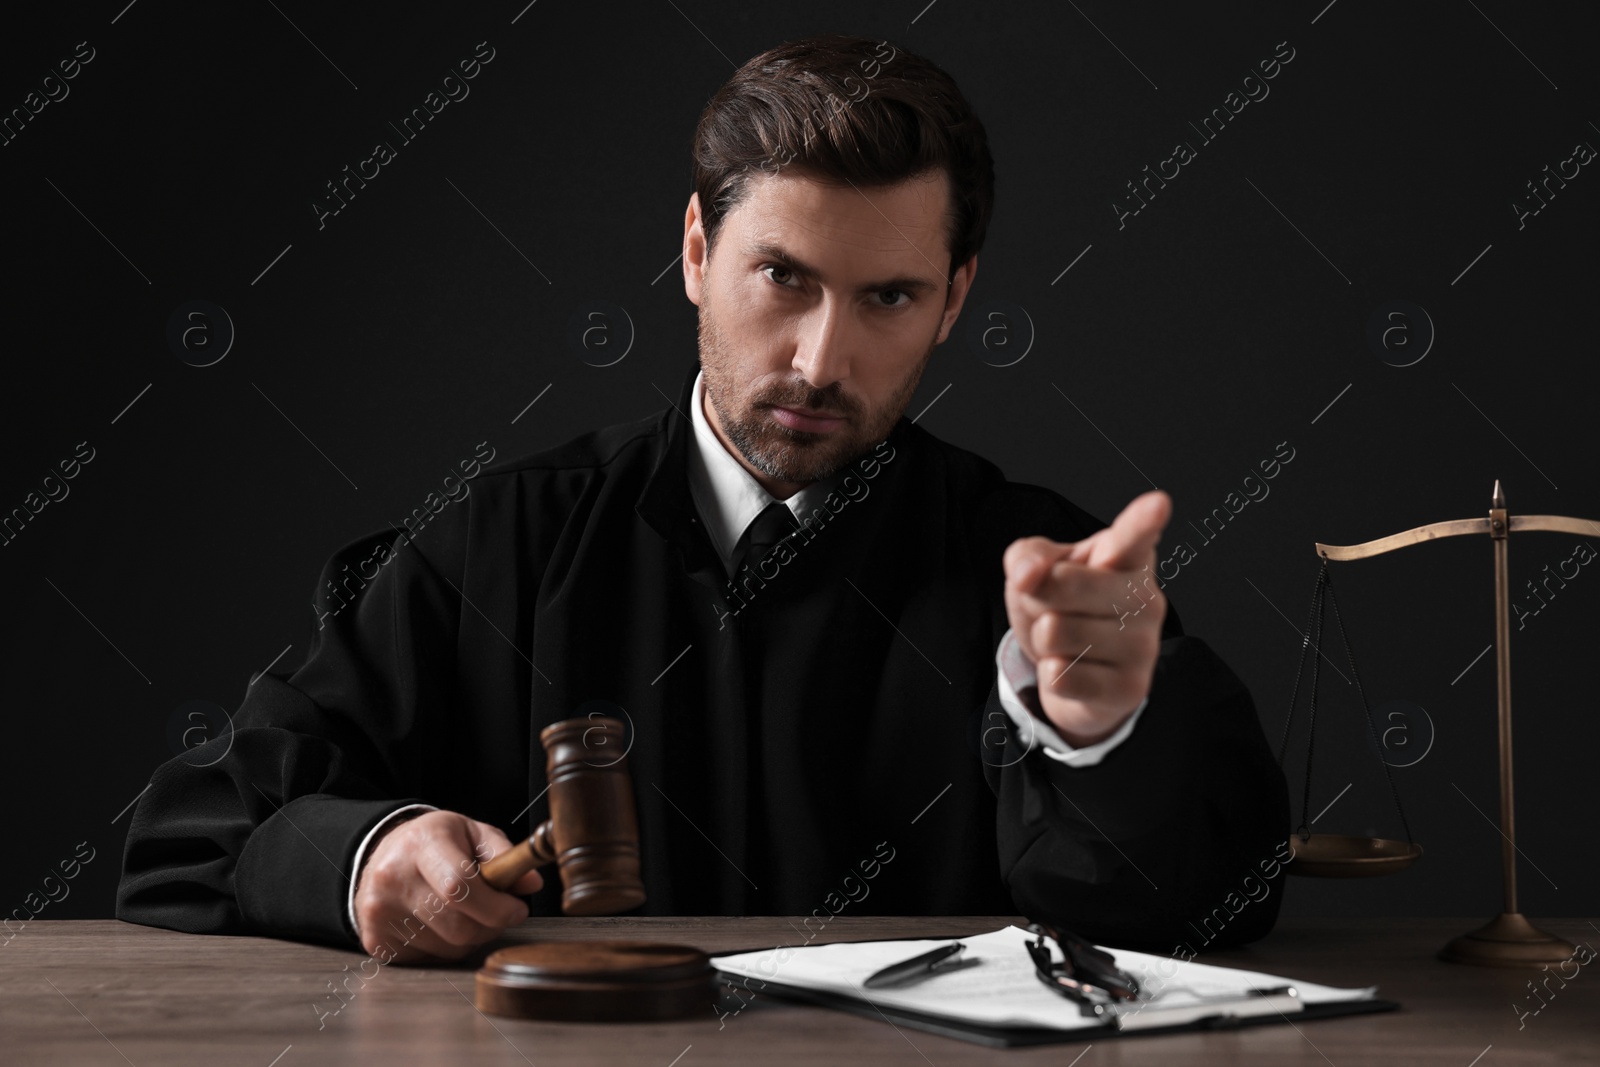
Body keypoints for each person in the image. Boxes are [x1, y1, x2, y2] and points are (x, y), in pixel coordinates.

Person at [117, 32, 1288, 964]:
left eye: (887, 297)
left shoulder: (1044, 586)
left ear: (954, 296)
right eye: (783, 276)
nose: (823, 359)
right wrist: (359, 857)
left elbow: (1203, 912)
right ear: (693, 249)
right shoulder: (497, 547)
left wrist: (1098, 740)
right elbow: (187, 839)